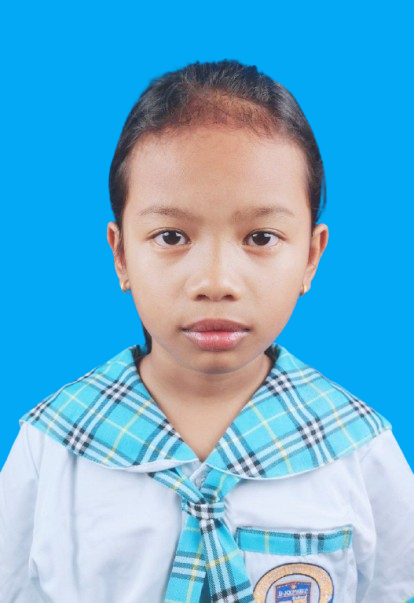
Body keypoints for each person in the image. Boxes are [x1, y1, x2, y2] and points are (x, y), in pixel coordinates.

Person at [1, 59, 413, 603]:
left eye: (260, 238)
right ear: (121, 255)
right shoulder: (53, 445)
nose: (216, 282)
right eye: (172, 236)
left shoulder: (358, 450)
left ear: (311, 257)